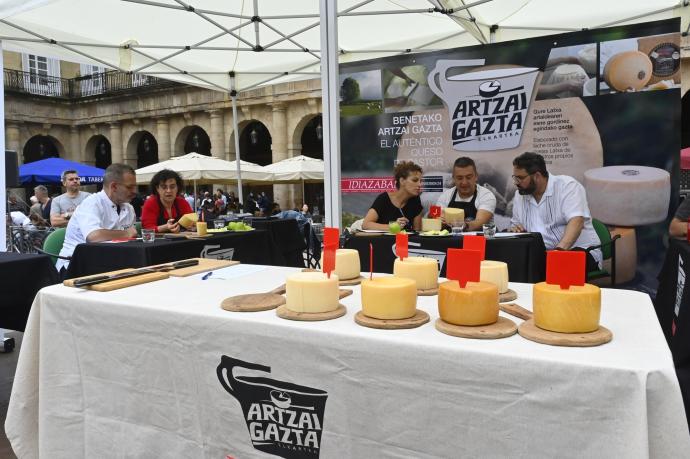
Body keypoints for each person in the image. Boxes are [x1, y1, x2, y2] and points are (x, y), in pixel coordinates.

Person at [509, 152, 601, 271]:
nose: (516, 182)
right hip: (541, 255)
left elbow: (576, 222)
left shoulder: (568, 186)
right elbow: (515, 225)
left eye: (520, 178)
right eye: (514, 178)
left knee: (555, 267)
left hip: (577, 251)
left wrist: (558, 253)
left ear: (537, 176)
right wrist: (515, 229)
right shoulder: (520, 195)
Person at [56, 164, 138, 272]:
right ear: (113, 187)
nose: (134, 191)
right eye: (129, 187)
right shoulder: (92, 203)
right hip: (76, 265)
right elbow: (94, 236)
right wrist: (126, 233)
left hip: (108, 263)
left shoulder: (128, 208)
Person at [435, 157, 496, 231]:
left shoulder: (487, 195)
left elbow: (480, 223)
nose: (464, 182)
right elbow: (435, 220)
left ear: (476, 176)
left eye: (468, 177)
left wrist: (464, 225)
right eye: (460, 178)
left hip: (479, 241)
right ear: (453, 178)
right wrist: (439, 221)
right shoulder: (445, 196)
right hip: (450, 241)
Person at [363, 161, 423, 231]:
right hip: (383, 241)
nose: (420, 185)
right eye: (415, 180)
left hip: (405, 241)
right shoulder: (384, 198)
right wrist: (393, 226)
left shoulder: (415, 200)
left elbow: (417, 230)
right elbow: (366, 224)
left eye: (420, 181)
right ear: (402, 181)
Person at [140, 169, 195, 233]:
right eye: (164, 187)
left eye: (172, 187)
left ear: (178, 188)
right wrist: (165, 227)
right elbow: (147, 229)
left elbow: (192, 222)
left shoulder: (182, 203)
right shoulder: (150, 203)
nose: (169, 191)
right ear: (157, 189)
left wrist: (193, 226)